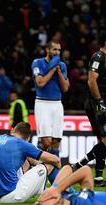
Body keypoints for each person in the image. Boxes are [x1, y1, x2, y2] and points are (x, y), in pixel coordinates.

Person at [71, 30, 106, 187]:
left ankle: (98, 178)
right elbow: (92, 81)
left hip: (102, 101)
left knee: (103, 140)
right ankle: (78, 166)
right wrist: (99, 102)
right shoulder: (98, 57)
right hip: (95, 103)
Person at [0, 122, 61, 203]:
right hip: (10, 196)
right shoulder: (21, 144)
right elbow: (56, 160)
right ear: (27, 139)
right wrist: (59, 168)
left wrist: (37, 164)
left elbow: (29, 159)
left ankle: (41, 188)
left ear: (12, 130)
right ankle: (63, 193)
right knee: (49, 166)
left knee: (26, 160)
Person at [31, 40, 69, 185]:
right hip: (42, 103)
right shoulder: (38, 63)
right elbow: (40, 83)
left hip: (57, 104)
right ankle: (36, 170)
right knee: (46, 141)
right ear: (47, 50)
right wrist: (53, 69)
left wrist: (58, 70)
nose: (57, 53)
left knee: (55, 142)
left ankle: (54, 178)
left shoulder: (62, 66)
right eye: (54, 50)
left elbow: (65, 88)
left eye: (59, 50)